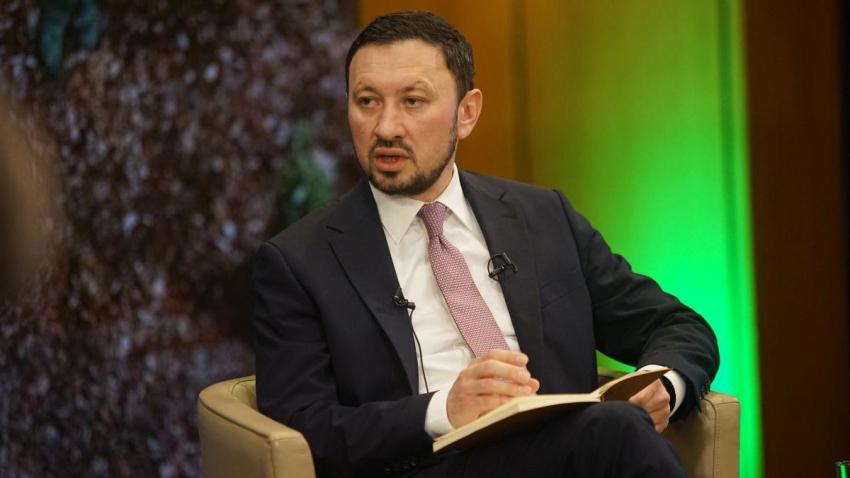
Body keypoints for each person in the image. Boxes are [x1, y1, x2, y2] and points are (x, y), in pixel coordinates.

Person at [254, 10, 718, 478]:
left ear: (467, 113)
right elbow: (302, 427)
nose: (386, 127)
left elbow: (676, 325)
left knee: (615, 429)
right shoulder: (298, 261)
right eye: (367, 101)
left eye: (413, 101)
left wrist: (666, 385)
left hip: (565, 454)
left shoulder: (543, 217)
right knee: (616, 432)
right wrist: (443, 410)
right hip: (421, 466)